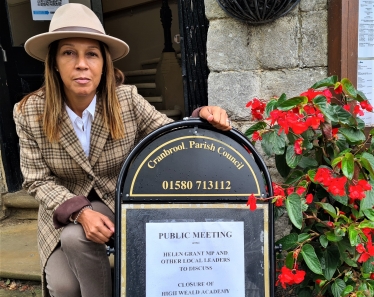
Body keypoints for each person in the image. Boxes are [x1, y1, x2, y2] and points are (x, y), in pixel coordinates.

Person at [13, 3, 231, 297]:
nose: (81, 64)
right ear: (54, 61)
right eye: (69, 53)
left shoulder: (126, 100)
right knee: (64, 288)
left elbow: (168, 135)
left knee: (77, 240)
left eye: (91, 53)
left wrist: (202, 115)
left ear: (103, 63)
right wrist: (80, 212)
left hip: (117, 201)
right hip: (62, 210)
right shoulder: (29, 112)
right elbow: (36, 179)